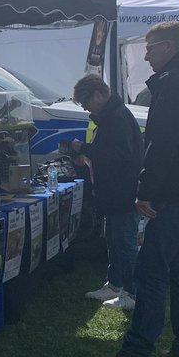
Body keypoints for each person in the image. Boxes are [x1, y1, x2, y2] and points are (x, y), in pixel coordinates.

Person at [93, 22, 179, 357]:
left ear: (169, 48)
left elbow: (162, 144)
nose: (146, 54)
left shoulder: (174, 84)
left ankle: (137, 352)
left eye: (150, 48)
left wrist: (146, 191)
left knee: (150, 270)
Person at [72, 74, 143, 311]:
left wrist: (85, 149)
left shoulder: (117, 118)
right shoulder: (112, 116)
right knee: (114, 241)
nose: (85, 108)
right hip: (115, 191)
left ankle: (132, 292)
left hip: (123, 191)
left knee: (124, 242)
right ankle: (115, 285)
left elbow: (119, 155)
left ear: (100, 95)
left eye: (85, 102)